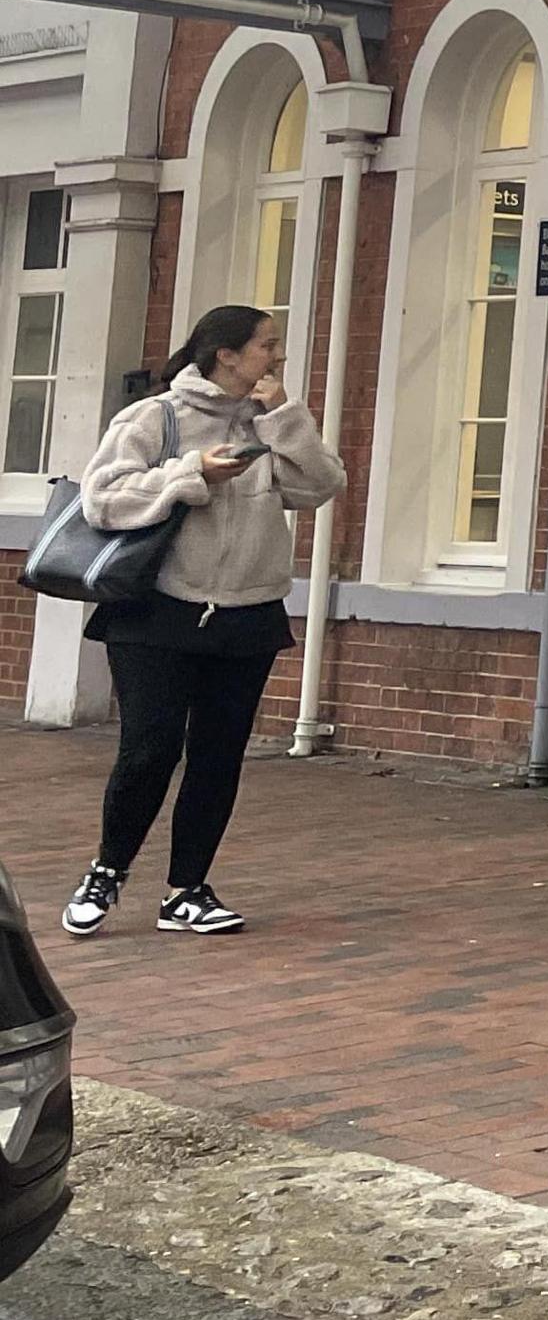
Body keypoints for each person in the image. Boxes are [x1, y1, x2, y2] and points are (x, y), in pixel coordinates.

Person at [57, 307, 347, 939]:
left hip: (247, 614)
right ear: (226, 355)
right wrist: (192, 474)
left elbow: (322, 485)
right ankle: (107, 871)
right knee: (149, 750)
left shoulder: (271, 424)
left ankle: (186, 890)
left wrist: (283, 418)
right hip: (157, 612)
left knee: (219, 756)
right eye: (267, 346)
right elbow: (102, 497)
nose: (276, 357)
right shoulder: (153, 416)